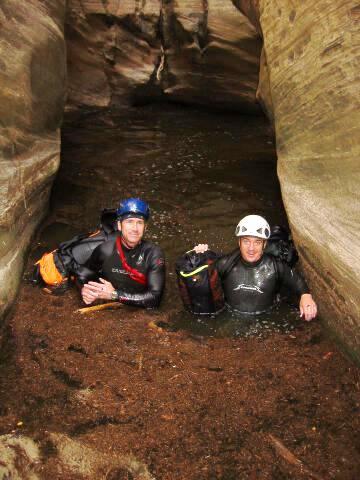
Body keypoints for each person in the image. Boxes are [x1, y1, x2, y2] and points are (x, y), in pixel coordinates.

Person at [194, 214, 317, 321]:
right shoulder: (225, 264)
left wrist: (306, 296)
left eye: (257, 242)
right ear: (239, 242)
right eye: (246, 241)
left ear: (264, 244)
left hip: (267, 317)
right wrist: (199, 256)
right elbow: (199, 278)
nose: (251, 248)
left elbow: (297, 281)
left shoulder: (276, 267)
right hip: (231, 316)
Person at [78, 198, 165, 308]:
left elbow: (155, 299)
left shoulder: (153, 254)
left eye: (140, 223)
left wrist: (114, 295)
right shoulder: (106, 250)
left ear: (145, 228)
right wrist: (84, 289)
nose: (135, 228)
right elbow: (83, 273)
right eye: (129, 222)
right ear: (119, 225)